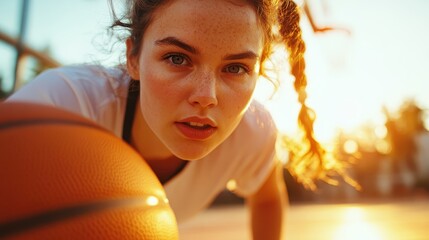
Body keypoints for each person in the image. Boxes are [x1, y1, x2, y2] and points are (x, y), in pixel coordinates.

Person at [7, 0, 325, 239]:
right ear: (133, 58)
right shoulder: (65, 103)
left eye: (236, 68)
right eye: (177, 58)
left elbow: (267, 197)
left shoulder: (252, 132)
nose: (206, 95)